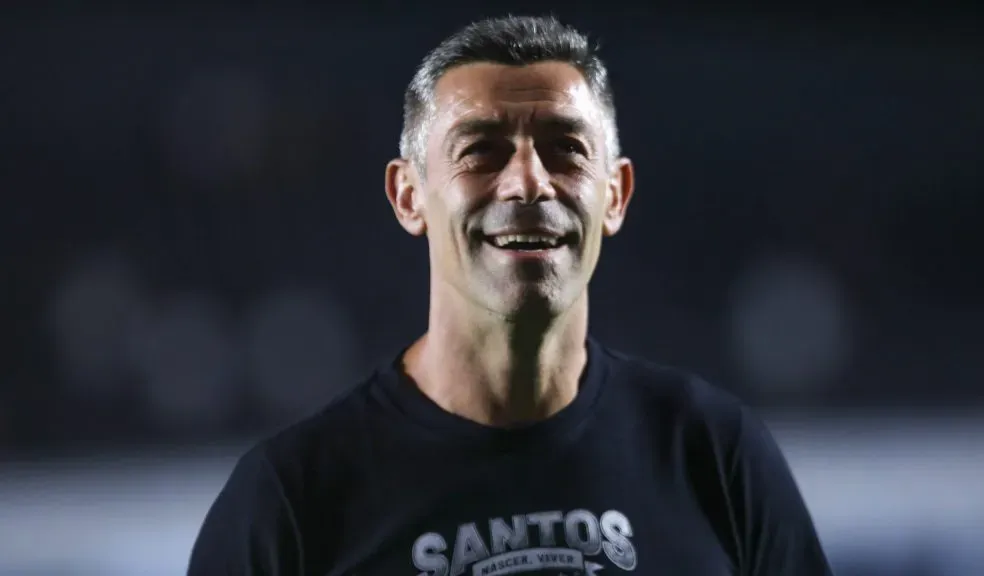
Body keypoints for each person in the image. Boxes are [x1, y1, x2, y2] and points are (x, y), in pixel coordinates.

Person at [188, 15, 833, 576]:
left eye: (565, 150)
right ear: (408, 196)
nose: (528, 182)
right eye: (481, 151)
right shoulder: (292, 501)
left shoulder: (714, 457)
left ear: (615, 194)